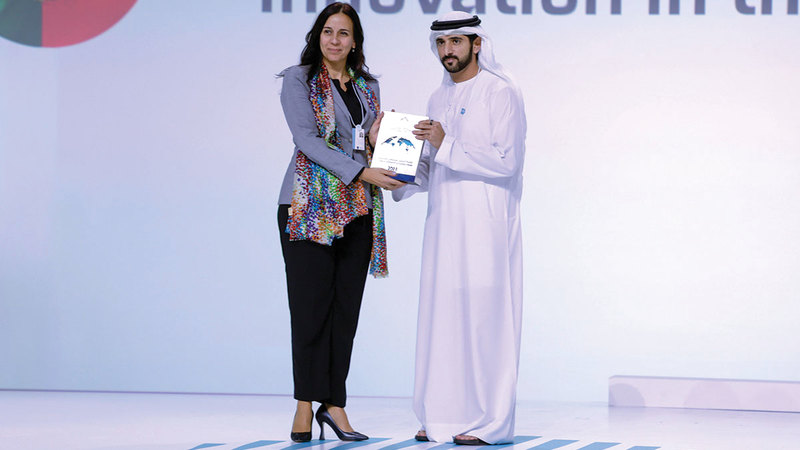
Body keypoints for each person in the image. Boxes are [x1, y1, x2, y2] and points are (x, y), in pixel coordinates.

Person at [392, 11, 527, 445]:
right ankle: (443, 417)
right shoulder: (437, 97)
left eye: (456, 41)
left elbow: (507, 161)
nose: (447, 50)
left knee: (486, 321)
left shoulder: (501, 92)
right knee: (443, 318)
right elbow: (434, 168)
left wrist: (444, 142)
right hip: (443, 225)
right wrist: (393, 165)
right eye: (440, 43)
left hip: (486, 225)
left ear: (477, 43)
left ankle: (490, 422)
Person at [277, 2, 404, 443]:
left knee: (345, 311)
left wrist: (382, 144)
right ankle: (304, 404)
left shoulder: (368, 86)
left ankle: (334, 406)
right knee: (310, 310)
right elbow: (306, 140)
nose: (335, 40)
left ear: (355, 42)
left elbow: (367, 141)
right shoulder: (298, 79)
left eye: (344, 33)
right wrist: (362, 171)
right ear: (318, 36)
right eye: (328, 31)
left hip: (358, 207)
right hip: (308, 205)